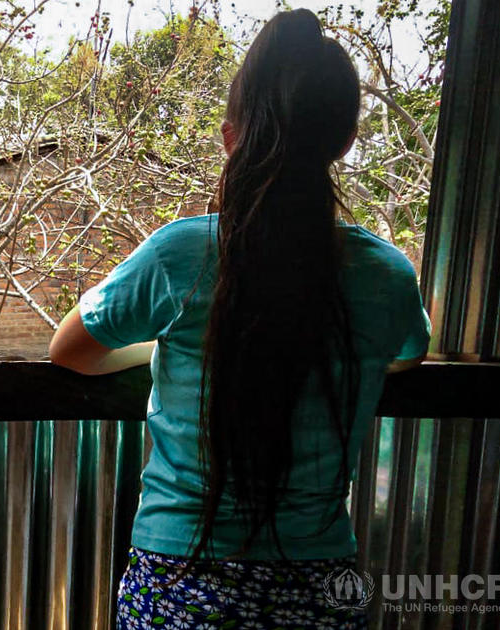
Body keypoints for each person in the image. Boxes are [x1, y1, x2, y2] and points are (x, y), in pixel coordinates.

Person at [48, 8, 431, 630]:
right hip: (319, 587)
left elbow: (70, 350)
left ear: (231, 138)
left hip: (182, 579)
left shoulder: (182, 254)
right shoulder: (386, 274)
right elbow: (410, 353)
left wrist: (159, 348)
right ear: (344, 142)